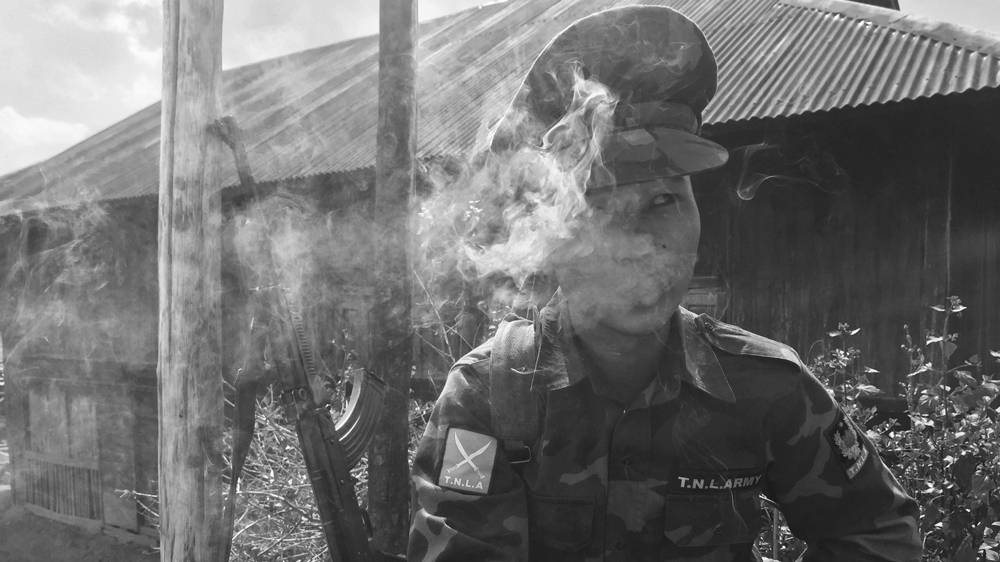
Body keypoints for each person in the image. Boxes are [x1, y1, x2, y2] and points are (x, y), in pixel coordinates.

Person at [408, 6, 922, 562]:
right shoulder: (490, 398)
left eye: (664, 202)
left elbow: (877, 534)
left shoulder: (763, 384)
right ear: (548, 240)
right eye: (601, 212)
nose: (644, 243)